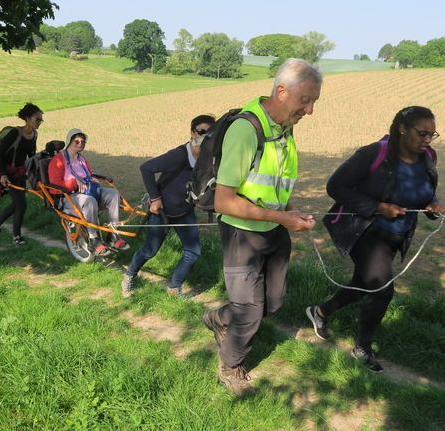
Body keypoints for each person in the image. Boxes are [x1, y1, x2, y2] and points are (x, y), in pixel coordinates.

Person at [201, 58, 321, 396]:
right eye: (305, 100)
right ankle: (230, 366)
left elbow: (268, 185)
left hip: (273, 228)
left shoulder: (283, 126)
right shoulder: (246, 129)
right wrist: (282, 217)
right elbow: (223, 201)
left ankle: (221, 318)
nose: (310, 110)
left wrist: (288, 211)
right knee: (251, 312)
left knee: (273, 301)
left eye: (314, 102)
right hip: (242, 234)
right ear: (282, 92)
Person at [306, 106, 445, 373]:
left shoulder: (428, 157)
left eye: (432, 134)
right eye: (422, 133)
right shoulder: (374, 154)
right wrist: (378, 206)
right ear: (403, 129)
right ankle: (362, 348)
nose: (428, 140)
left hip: (397, 235)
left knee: (363, 282)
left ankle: (320, 312)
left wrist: (433, 206)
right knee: (382, 289)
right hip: (365, 231)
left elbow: (426, 192)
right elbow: (335, 186)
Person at [121, 114, 216, 298]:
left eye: (209, 133)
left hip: (184, 212)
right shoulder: (179, 155)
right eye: (201, 131)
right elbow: (146, 168)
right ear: (192, 133)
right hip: (162, 213)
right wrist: (155, 199)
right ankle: (129, 276)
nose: (205, 136)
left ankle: (174, 287)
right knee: (149, 251)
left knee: (193, 252)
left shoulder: (208, 160)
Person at [48, 128, 129, 257]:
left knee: (113, 194)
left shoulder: (82, 159)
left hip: (88, 191)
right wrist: (74, 183)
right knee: (89, 201)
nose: (80, 144)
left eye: (82, 141)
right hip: (68, 196)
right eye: (76, 141)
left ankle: (113, 235)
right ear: (69, 141)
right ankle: (93, 239)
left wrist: (92, 179)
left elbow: (88, 175)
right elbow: (54, 185)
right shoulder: (57, 161)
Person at [0, 103, 43, 245]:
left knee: (17, 203)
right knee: (21, 204)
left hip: (19, 172)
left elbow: (31, 157)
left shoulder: (34, 134)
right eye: (38, 119)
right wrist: (3, 175)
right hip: (7, 172)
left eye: (41, 120)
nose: (40, 122)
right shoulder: (15, 133)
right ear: (28, 119)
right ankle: (17, 237)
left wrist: (35, 175)